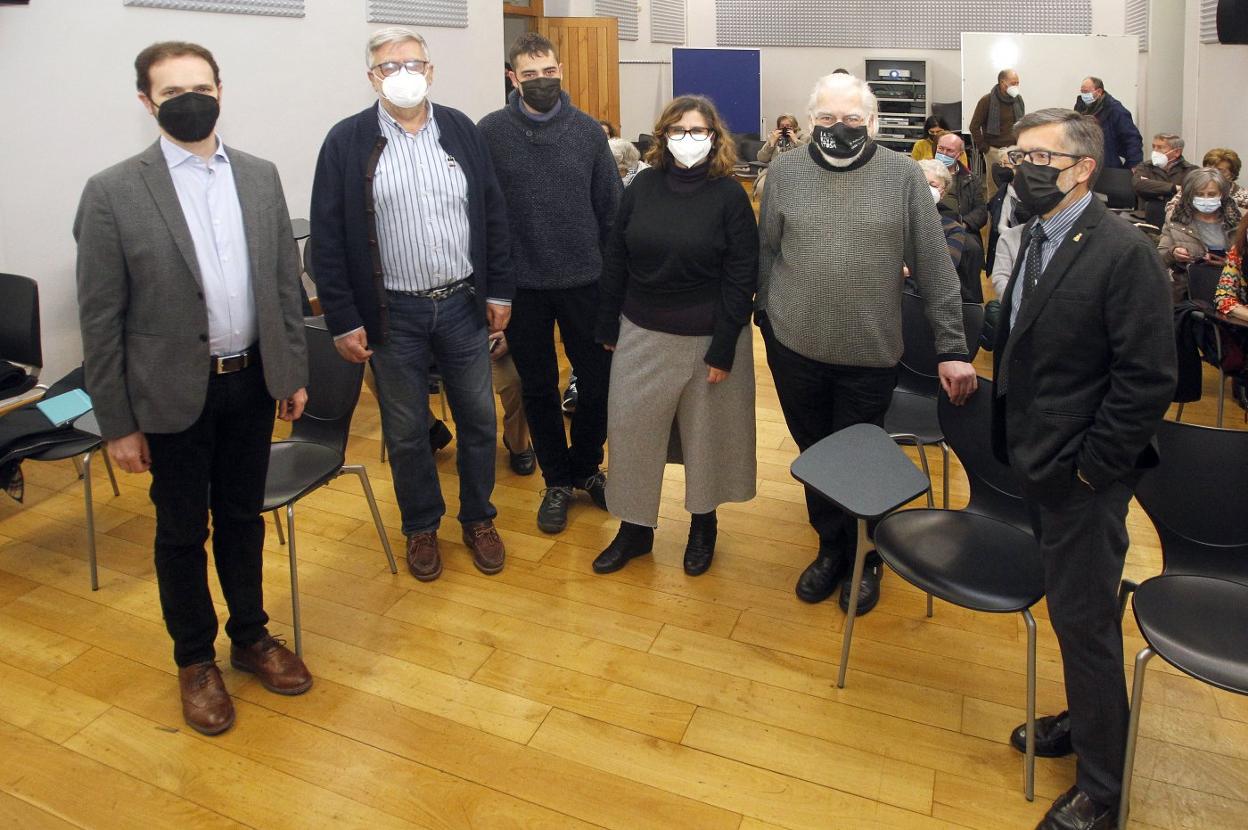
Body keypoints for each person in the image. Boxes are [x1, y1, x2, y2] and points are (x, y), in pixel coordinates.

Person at [74, 41, 312, 736]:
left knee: (243, 518)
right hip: (171, 395)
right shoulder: (114, 191)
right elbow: (100, 317)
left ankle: (252, 636)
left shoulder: (261, 177)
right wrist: (116, 420)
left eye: (200, 86)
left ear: (220, 90)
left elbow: (281, 285)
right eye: (172, 90)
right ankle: (194, 661)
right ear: (146, 102)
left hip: (249, 382)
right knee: (183, 532)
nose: (190, 99)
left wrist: (290, 370)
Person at [994, 109, 1176, 830]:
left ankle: (1103, 789)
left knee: (1086, 620)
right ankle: (1088, 719)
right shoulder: (1035, 233)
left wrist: (1095, 471)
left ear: (1084, 170)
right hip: (1041, 457)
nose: (1026, 167)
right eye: (1021, 154)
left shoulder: (1120, 251)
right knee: (1076, 615)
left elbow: (1147, 378)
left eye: (1043, 157)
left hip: (1084, 475)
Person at [758, 72, 976, 613]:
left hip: (870, 352)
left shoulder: (901, 176)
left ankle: (869, 554)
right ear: (810, 123)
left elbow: (934, 268)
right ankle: (832, 547)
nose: (840, 128)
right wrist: (764, 315)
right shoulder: (784, 171)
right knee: (815, 453)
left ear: (872, 122)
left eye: (852, 119)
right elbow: (766, 253)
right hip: (794, 348)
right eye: (827, 119)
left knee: (858, 457)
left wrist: (951, 346)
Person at [310, 27, 513, 583]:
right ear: (371, 77)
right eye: (389, 66)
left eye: (413, 63)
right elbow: (326, 241)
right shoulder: (345, 142)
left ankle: (478, 518)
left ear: (431, 69)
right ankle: (421, 525)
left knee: (477, 419)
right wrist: (343, 319)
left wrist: (499, 290)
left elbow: (493, 213)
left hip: (463, 304)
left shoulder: (461, 131)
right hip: (391, 314)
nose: (403, 75)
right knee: (404, 430)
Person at [592, 95, 759, 577]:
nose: (689, 140)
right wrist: (607, 323)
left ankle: (703, 526)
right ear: (663, 136)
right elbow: (617, 257)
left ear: (715, 138)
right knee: (631, 435)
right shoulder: (641, 188)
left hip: (709, 339)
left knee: (706, 441)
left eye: (699, 131)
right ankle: (635, 530)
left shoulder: (729, 195)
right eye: (679, 131)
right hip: (641, 331)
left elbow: (740, 275)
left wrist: (725, 345)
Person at [477, 32, 622, 534]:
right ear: (512, 78)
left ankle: (586, 466)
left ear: (561, 71)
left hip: (587, 282)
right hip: (522, 287)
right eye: (530, 74)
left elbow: (612, 212)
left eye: (549, 72)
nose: (542, 81)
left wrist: (616, 283)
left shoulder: (586, 132)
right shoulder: (490, 132)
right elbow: (482, 215)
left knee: (599, 383)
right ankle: (557, 480)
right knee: (537, 388)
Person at [1158, 167, 1241, 302]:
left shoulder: (1237, 220)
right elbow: (1161, 257)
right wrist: (1173, 252)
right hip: (1187, 290)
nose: (1205, 199)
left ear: (1222, 194)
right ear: (1190, 195)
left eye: (1211, 194)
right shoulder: (1175, 219)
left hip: (1231, 290)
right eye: (1200, 194)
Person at [934, 132, 987, 300]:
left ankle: (969, 303)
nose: (943, 154)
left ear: (959, 154)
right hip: (932, 225)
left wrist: (962, 225)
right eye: (940, 149)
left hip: (961, 226)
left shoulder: (971, 179)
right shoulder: (923, 171)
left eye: (949, 151)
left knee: (972, 250)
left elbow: (981, 212)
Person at [969, 68, 1024, 199]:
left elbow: (1022, 124)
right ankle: (993, 218)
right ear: (1002, 83)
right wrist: (985, 148)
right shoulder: (986, 101)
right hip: (994, 150)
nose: (1016, 86)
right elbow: (974, 126)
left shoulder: (1018, 100)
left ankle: (1012, 217)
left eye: (1017, 83)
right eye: (1013, 83)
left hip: (1015, 150)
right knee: (994, 189)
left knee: (1016, 187)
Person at [918, 159, 975, 282]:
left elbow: (944, 266)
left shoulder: (953, 229)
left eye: (933, 185)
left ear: (942, 194)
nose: (925, 188)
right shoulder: (895, 219)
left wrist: (907, 271)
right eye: (921, 182)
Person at [488, 332, 536, 475]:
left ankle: (517, 442)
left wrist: (511, 335)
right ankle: (432, 428)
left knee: (515, 381)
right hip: (447, 334)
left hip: (497, 333)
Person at [1074, 76, 1143, 170]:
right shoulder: (1080, 107)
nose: (1083, 95)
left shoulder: (1116, 110)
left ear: (1099, 92)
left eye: (1086, 92)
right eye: (1082, 92)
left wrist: (1134, 165)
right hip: (1085, 161)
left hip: (1109, 164)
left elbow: (1132, 138)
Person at [1133, 133, 1198, 227]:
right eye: (1153, 147)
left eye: (1160, 147)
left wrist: (1155, 188)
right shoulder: (1145, 167)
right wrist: (1174, 188)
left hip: (1179, 220)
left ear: (1177, 152)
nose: (1155, 151)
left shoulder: (1191, 170)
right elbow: (1139, 185)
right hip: (1145, 219)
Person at [754, 114, 808, 203]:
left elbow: (807, 154)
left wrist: (795, 141)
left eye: (788, 126)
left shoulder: (804, 137)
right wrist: (771, 144)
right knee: (761, 187)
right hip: (774, 171)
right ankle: (768, 210)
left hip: (797, 172)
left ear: (795, 127)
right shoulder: (774, 137)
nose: (785, 129)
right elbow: (761, 158)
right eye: (782, 126)